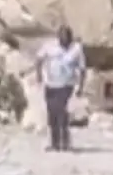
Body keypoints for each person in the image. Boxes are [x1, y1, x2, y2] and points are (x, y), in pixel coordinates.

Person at [35, 24, 87, 152]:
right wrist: (39, 75)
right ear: (58, 37)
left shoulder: (76, 49)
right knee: (52, 114)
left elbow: (82, 69)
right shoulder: (49, 46)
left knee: (62, 112)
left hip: (67, 85)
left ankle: (65, 143)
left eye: (67, 37)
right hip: (50, 84)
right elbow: (39, 59)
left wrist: (80, 87)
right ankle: (55, 143)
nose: (65, 40)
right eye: (63, 36)